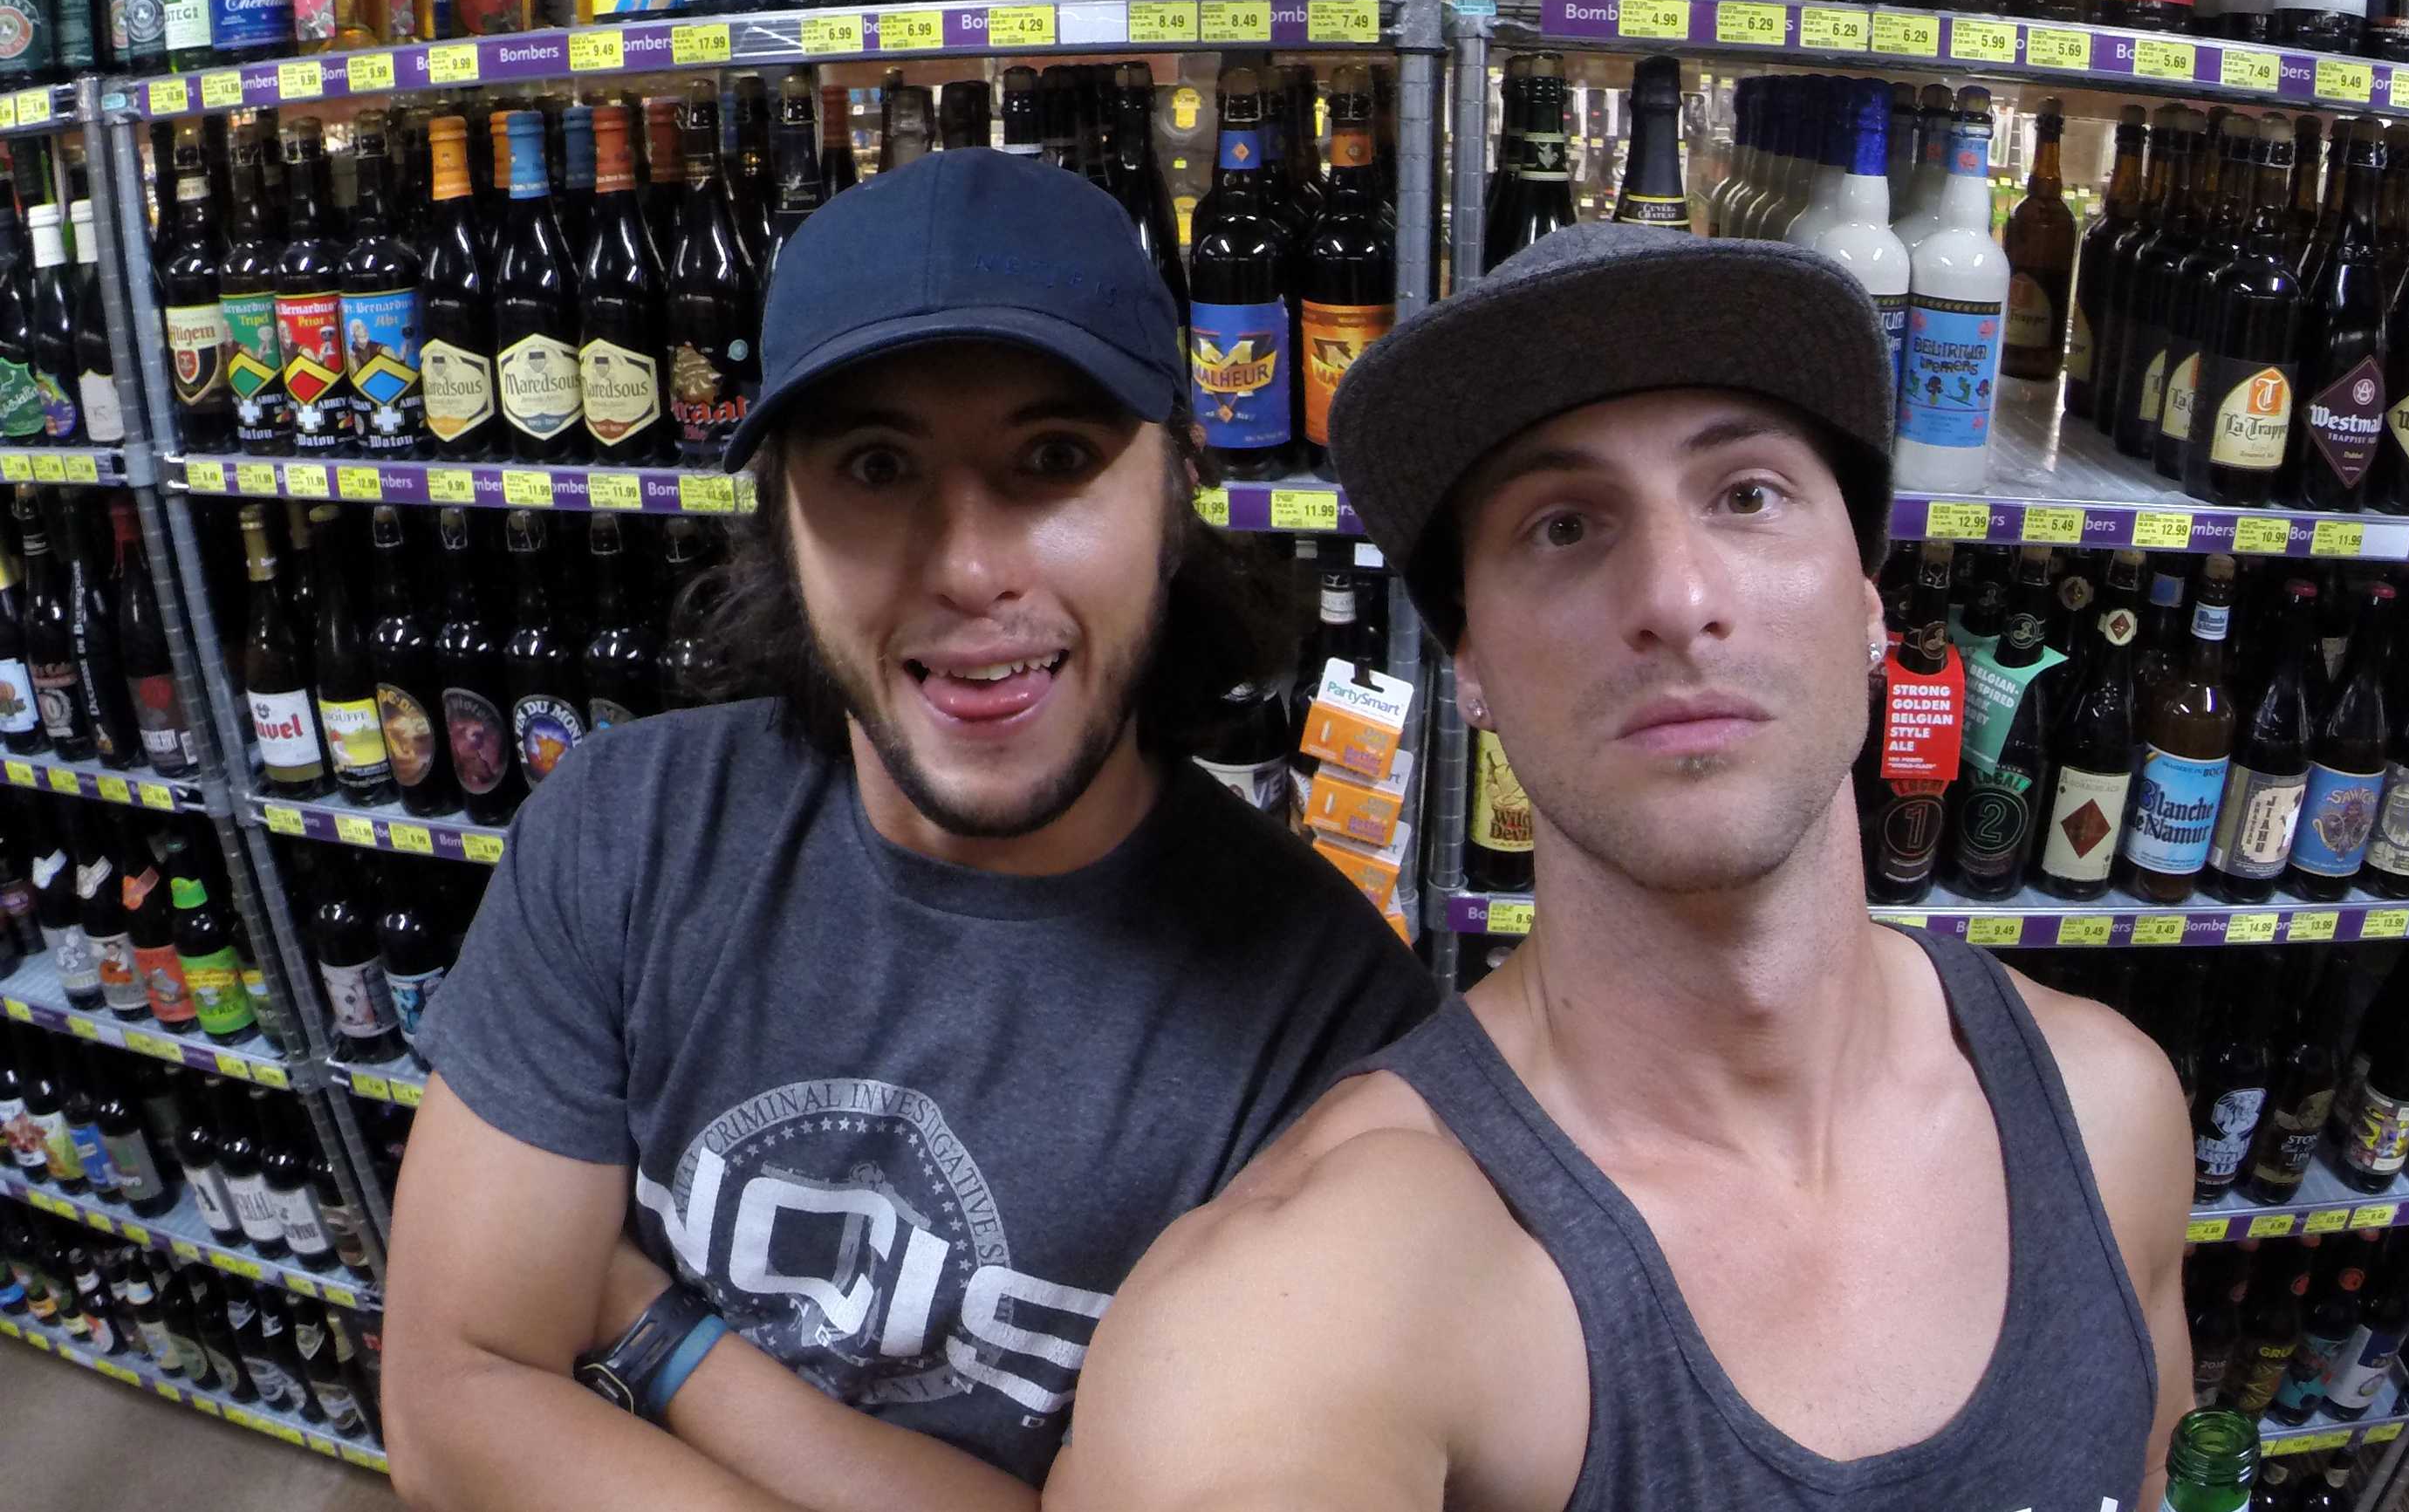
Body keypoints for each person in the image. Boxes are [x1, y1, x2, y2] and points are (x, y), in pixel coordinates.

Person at [1046, 225, 2194, 1510]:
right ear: (1471, 665)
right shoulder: (1310, 1303)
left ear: (1870, 599)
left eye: (1748, 494)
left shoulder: (2112, 1113)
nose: (1677, 595)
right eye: (1564, 526)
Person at [382, 148, 1438, 1509]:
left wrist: (657, 1333)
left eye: (1054, 458)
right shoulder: (626, 829)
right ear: (784, 519)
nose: (969, 567)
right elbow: (455, 1404)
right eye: (876, 467)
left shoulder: (1334, 1038)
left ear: (1175, 494)